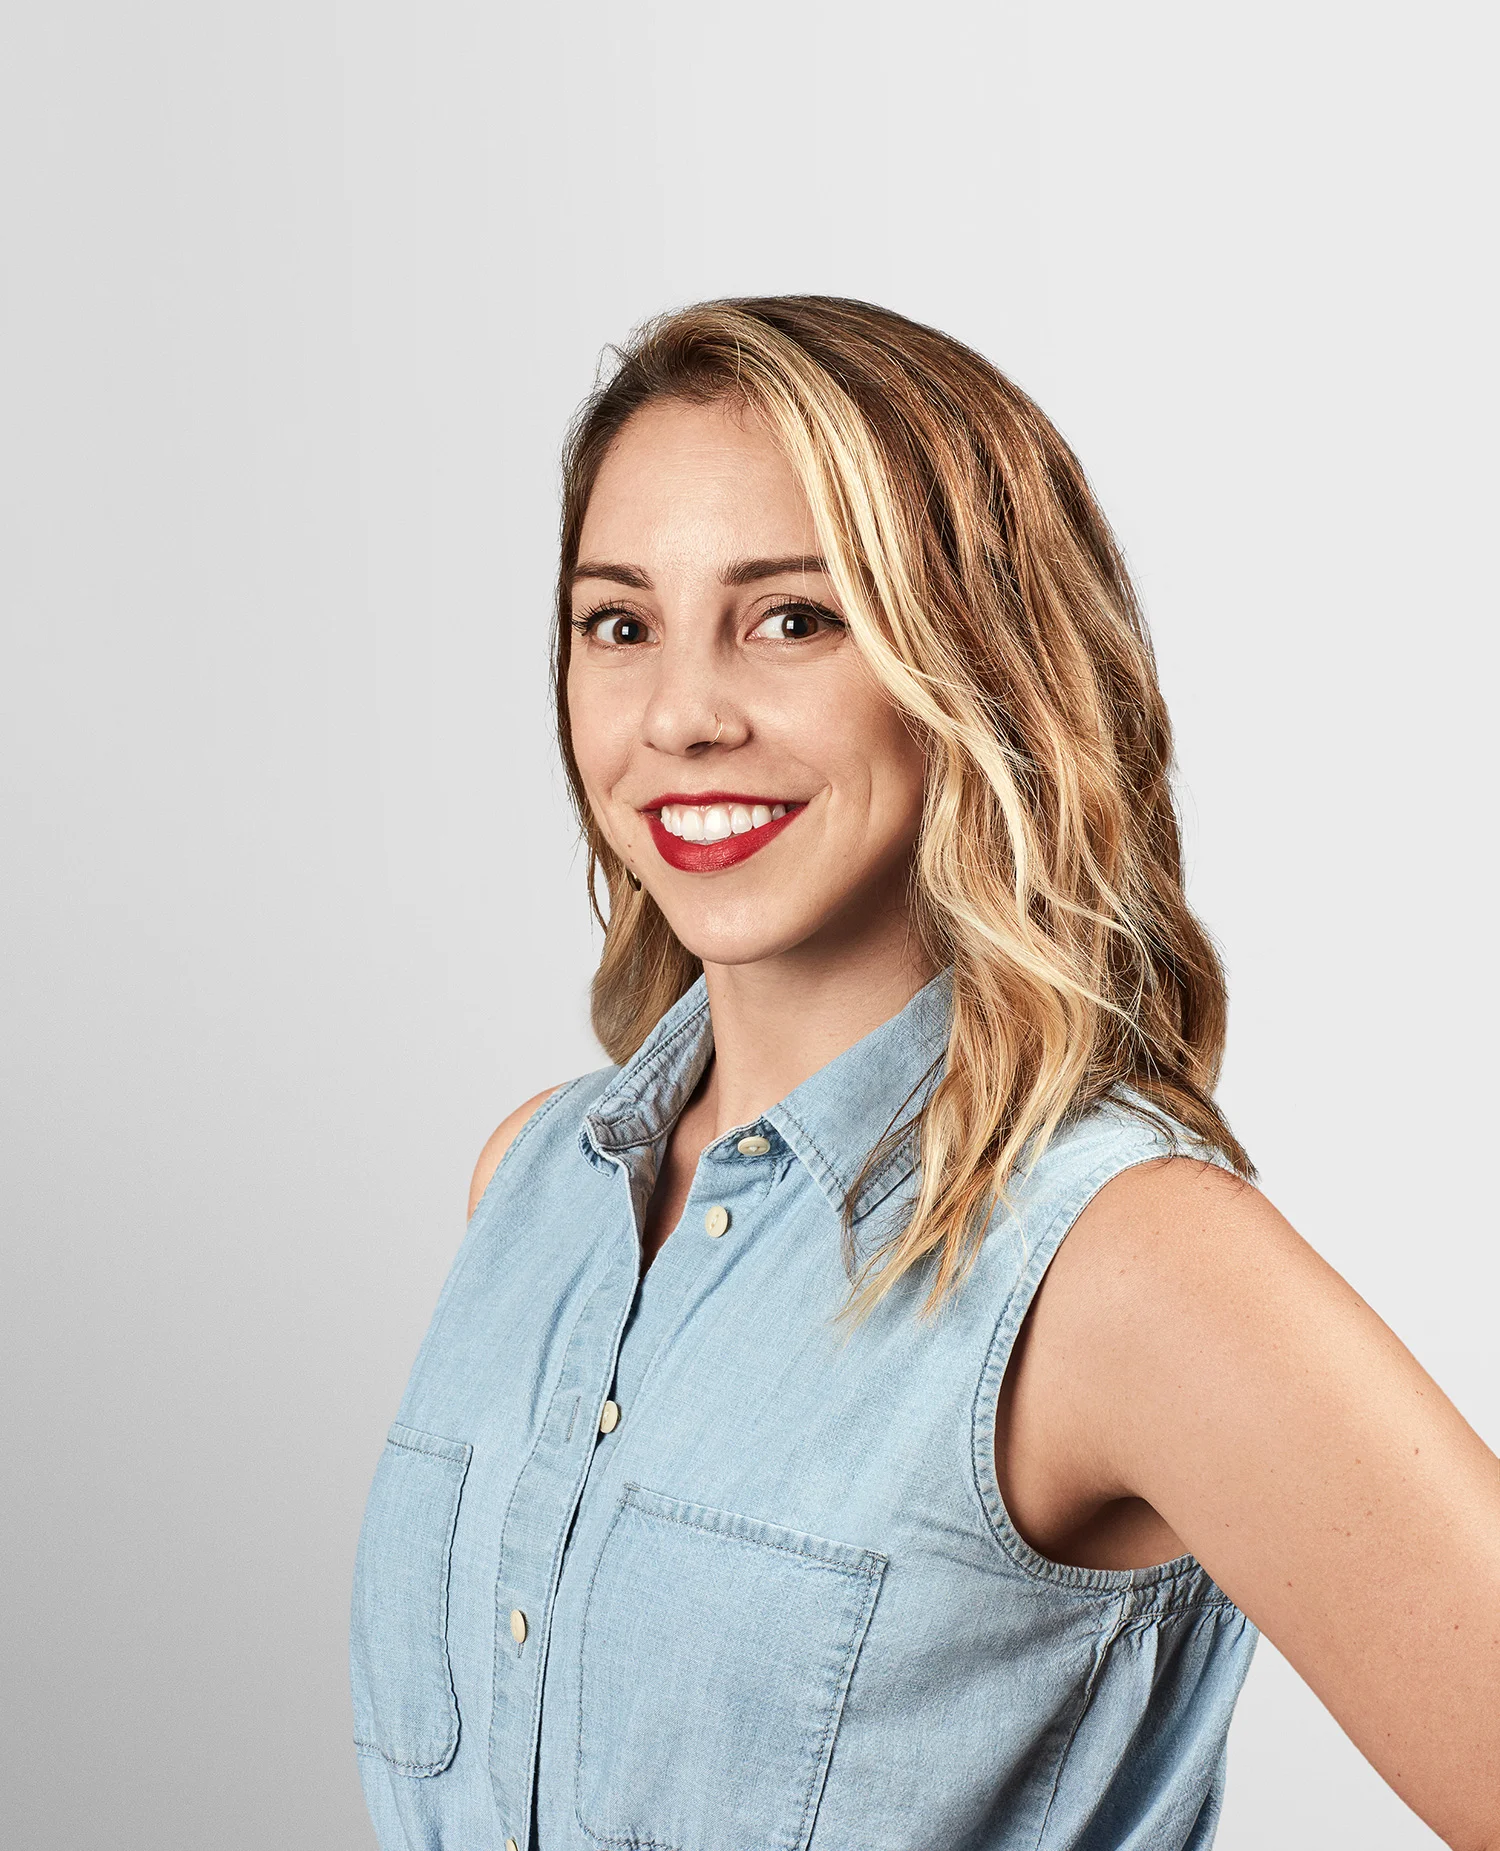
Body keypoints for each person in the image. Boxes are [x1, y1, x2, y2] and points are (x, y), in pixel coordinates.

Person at [349, 296, 1500, 1851]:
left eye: (794, 617)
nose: (682, 713)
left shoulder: (1122, 1261)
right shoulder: (532, 1181)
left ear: (983, 662)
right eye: (620, 622)